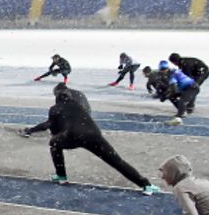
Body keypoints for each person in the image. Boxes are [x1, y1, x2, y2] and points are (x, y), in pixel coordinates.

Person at [22, 83, 159, 194]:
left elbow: (50, 127)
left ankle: (61, 176)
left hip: (72, 135)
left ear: (56, 96)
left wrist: (34, 130)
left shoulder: (55, 108)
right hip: (93, 135)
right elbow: (87, 113)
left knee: (54, 143)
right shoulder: (79, 104)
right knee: (117, 161)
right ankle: (145, 184)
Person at [164, 61, 199, 125]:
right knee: (182, 101)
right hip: (191, 87)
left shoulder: (171, 75)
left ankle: (179, 118)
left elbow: (174, 88)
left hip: (190, 88)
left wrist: (167, 95)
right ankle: (187, 109)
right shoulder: (174, 71)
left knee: (181, 101)